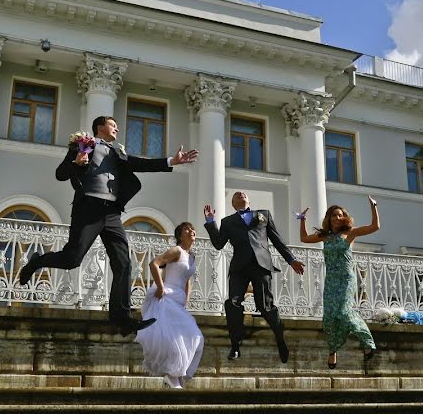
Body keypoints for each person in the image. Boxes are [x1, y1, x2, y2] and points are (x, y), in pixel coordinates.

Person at [17, 116, 198, 337]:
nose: (117, 128)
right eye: (113, 125)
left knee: (123, 263)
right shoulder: (82, 145)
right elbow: (60, 173)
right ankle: (38, 261)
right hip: (88, 208)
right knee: (72, 259)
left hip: (111, 212)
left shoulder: (117, 152)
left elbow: (141, 163)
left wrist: (172, 161)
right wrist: (76, 163)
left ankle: (121, 319)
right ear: (100, 127)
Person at [203, 192, 304, 363]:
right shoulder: (227, 222)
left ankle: (280, 340)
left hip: (261, 265)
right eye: (236, 195)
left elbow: (276, 240)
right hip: (239, 268)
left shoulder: (263, 215)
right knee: (232, 302)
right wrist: (211, 222)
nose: (240, 194)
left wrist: (291, 260)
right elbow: (218, 244)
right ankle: (235, 345)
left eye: (243, 194)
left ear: (248, 201)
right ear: (234, 204)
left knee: (265, 306)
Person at [300, 196, 379, 369]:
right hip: (331, 280)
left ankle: (367, 342)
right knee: (329, 316)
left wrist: (373, 207)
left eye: (340, 215)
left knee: (344, 311)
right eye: (334, 215)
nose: (337, 218)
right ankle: (332, 351)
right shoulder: (325, 236)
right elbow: (304, 238)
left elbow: (375, 227)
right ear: (329, 218)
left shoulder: (350, 233)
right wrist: (302, 219)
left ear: (344, 218)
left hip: (346, 279)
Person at [136, 222, 204, 389]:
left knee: (193, 338)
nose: (191, 231)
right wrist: (160, 287)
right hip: (167, 297)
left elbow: (187, 280)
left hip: (178, 302)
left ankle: (176, 376)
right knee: (182, 338)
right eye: (187, 229)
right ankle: (173, 376)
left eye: (192, 228)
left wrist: (186, 300)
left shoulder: (192, 256)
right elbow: (154, 263)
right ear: (180, 235)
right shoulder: (176, 251)